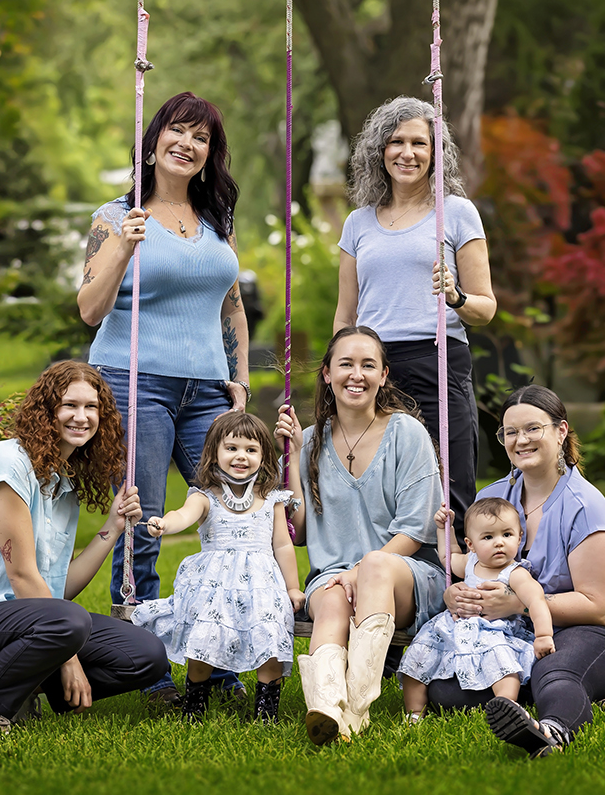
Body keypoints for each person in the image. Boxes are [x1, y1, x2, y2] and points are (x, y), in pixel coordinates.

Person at [78, 91, 251, 707]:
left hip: (207, 387)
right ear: (152, 143)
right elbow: (89, 308)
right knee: (144, 524)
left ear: (209, 155)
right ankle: (149, 669)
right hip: (133, 381)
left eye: (200, 137)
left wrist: (240, 379)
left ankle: (220, 661)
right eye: (176, 131)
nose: (187, 143)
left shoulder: (215, 224)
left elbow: (232, 306)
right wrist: (123, 245)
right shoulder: (115, 215)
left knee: (232, 514)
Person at [0, 361, 167, 750]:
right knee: (69, 624)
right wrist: (69, 659)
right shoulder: (7, 466)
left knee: (146, 655)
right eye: (70, 405)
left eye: (92, 407)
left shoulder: (61, 487)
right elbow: (24, 579)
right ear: (47, 410)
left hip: (20, 627)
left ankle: (15, 694)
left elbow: (58, 592)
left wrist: (112, 527)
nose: (82, 417)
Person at [428, 384, 605, 758]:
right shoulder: (492, 498)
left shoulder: (585, 506)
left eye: (532, 428)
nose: (520, 440)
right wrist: (455, 594)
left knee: (552, 673)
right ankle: (599, 694)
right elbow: (475, 567)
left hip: (590, 634)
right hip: (513, 637)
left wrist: (517, 606)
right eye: (510, 432)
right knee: (446, 691)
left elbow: (599, 606)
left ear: (561, 431)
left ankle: (551, 732)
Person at [274, 326, 447, 745]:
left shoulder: (407, 433)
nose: (357, 374)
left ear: (384, 375)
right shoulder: (312, 441)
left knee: (373, 567)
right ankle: (326, 708)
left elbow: (416, 527)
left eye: (368, 364)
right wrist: (294, 456)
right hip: (331, 575)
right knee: (331, 604)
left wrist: (360, 572)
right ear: (327, 375)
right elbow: (298, 532)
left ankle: (353, 709)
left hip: (406, 574)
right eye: (346, 364)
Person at [333, 97, 495, 541]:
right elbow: (346, 314)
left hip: (437, 358)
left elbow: (485, 308)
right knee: (380, 479)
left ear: (435, 152)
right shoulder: (358, 223)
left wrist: (456, 296)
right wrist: (339, 370)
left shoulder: (457, 212)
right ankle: (387, 585)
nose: (408, 152)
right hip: (374, 368)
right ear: (378, 151)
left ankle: (459, 586)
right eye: (396, 141)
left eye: (419, 143)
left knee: (451, 481)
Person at [132, 412, 305, 723]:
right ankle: (194, 706)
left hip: (263, 588)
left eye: (251, 450)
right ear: (214, 453)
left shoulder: (271, 499)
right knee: (205, 644)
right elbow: (182, 515)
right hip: (214, 588)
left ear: (264, 456)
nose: (241, 456)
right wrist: (164, 523)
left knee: (271, 641)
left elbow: (282, 545)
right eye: (232, 448)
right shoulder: (205, 497)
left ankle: (267, 713)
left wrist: (292, 587)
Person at [398, 497, 555, 722]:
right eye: (488, 537)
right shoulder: (470, 562)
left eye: (507, 535)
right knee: (421, 654)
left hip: (494, 632)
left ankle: (507, 707)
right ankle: (414, 713)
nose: (499, 543)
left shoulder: (515, 573)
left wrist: (544, 635)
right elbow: (447, 556)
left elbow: (537, 600)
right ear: (471, 544)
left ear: (520, 538)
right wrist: (446, 529)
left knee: (503, 665)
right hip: (454, 627)